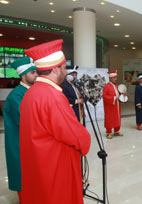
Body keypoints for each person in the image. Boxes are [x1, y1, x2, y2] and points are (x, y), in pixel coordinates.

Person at [20, 39, 91, 204]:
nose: (66, 72)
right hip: (56, 168)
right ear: (55, 69)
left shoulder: (31, 93)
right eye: (64, 68)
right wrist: (85, 141)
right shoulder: (53, 96)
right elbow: (76, 136)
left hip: (39, 166)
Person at [3, 57, 37, 204]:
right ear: (24, 75)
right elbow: (27, 120)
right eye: (33, 73)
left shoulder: (31, 91)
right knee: (23, 175)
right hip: (20, 144)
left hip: (30, 143)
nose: (36, 75)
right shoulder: (16, 95)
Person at [102, 70, 123, 139]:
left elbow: (119, 94)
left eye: (116, 77)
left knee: (117, 117)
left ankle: (116, 131)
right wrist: (114, 98)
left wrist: (122, 94)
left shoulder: (117, 86)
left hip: (116, 105)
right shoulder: (106, 86)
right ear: (110, 78)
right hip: (110, 106)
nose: (115, 79)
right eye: (114, 77)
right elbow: (104, 96)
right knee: (110, 118)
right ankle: (108, 132)